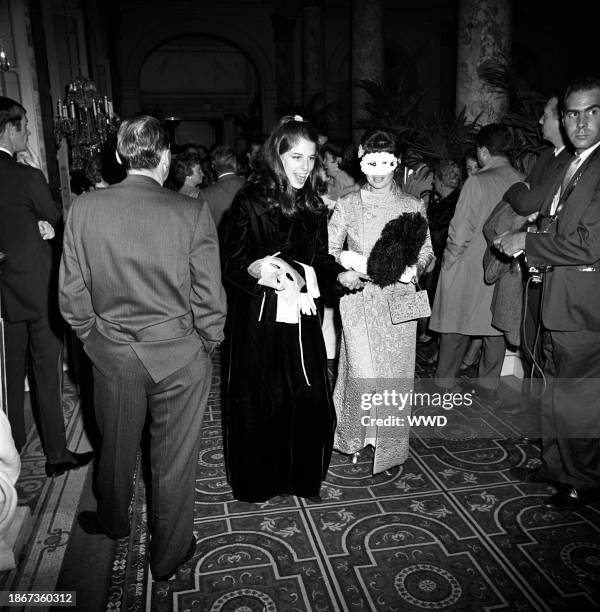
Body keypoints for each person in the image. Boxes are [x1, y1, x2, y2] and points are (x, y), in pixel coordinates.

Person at [59, 115, 226, 580]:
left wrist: (93, 339)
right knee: (173, 461)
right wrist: (205, 344)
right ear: (167, 158)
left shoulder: (84, 208)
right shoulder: (191, 212)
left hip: (113, 353)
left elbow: (72, 295)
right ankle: (168, 555)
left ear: (118, 156)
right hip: (178, 355)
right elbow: (210, 297)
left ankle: (112, 521)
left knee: (113, 444)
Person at [220, 115, 339, 503]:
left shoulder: (313, 204)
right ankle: (260, 480)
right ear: (278, 156)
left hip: (301, 318)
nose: (304, 167)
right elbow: (230, 262)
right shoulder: (251, 199)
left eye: (310, 158)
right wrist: (255, 269)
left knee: (306, 394)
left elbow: (319, 258)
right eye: (296, 158)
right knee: (262, 398)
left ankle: (300, 477)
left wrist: (341, 274)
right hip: (260, 320)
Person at [494, 76, 600, 510]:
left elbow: (591, 244)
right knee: (556, 393)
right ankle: (556, 468)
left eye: (591, 111)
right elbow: (556, 221)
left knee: (579, 399)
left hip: (584, 309)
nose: (580, 121)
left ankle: (585, 478)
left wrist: (528, 243)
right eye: (572, 113)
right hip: (559, 299)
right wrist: (532, 236)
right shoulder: (575, 163)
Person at [328, 129, 434, 474]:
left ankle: (387, 443)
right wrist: (343, 267)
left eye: (384, 164)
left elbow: (428, 252)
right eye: (370, 164)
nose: (376, 172)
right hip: (360, 300)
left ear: (396, 163)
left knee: (394, 375)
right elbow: (328, 250)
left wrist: (414, 268)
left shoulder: (411, 205)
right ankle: (354, 438)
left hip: (398, 303)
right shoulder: (347, 205)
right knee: (362, 371)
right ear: (361, 161)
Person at [0, 96, 93, 476]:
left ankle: (11, 450)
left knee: (7, 376)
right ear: (8, 128)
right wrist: (49, 226)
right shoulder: (27, 175)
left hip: (4, 291)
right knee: (46, 372)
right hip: (38, 288)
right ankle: (56, 453)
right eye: (24, 125)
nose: (28, 131)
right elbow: (60, 222)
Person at [430, 124, 524, 401]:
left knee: (455, 327)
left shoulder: (478, 181)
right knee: (495, 327)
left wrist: (447, 262)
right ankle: (488, 387)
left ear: (483, 151)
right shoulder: (523, 179)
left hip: (468, 265)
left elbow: (460, 230)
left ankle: (444, 384)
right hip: (503, 266)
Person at [200, 145, 245, 230]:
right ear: (235, 164)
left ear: (213, 166)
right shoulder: (251, 185)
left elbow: (204, 229)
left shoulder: (206, 194)